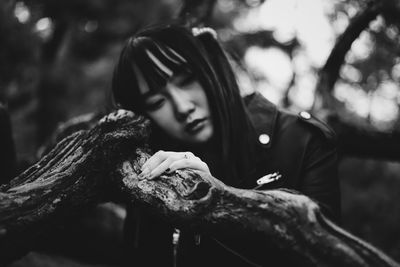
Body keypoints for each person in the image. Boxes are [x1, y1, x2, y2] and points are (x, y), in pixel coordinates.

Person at [112, 23, 341, 267]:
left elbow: (323, 257)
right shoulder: (150, 168)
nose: (182, 107)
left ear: (212, 66)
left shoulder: (302, 140)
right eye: (157, 102)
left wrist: (216, 206)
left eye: (187, 79)